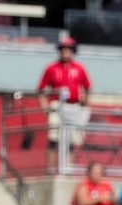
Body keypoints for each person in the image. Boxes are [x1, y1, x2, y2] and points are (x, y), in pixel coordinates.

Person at [38, 36, 91, 169]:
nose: (66, 52)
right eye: (63, 49)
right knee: (53, 139)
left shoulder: (79, 68)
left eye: (69, 49)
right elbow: (41, 89)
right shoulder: (51, 68)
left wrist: (85, 103)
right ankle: (50, 169)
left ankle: (68, 169)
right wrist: (45, 107)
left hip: (74, 106)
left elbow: (87, 87)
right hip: (57, 106)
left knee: (71, 141)